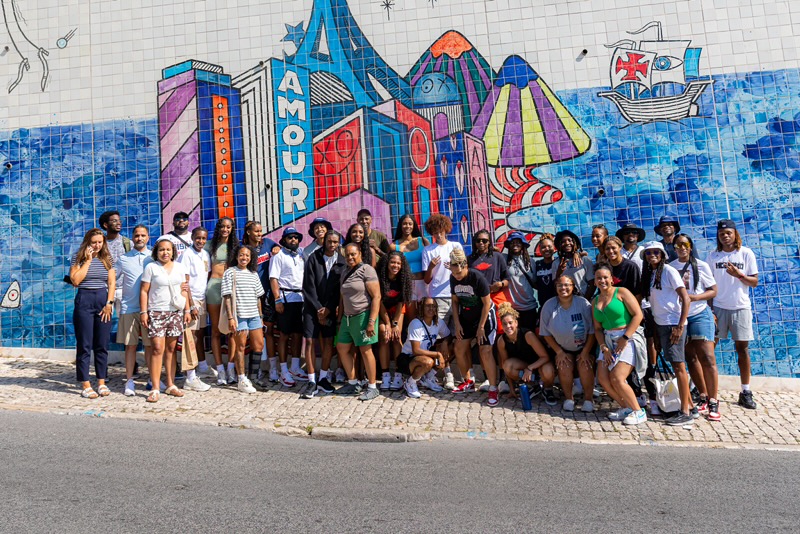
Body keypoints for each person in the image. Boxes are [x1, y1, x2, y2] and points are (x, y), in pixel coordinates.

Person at [706, 219, 759, 410]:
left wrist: (739, 275)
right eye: (721, 233)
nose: (725, 236)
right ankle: (701, 389)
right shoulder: (713, 257)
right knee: (708, 349)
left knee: (742, 350)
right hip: (719, 307)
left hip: (741, 307)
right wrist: (710, 310)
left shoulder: (746, 253)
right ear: (718, 236)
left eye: (728, 232)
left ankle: (745, 391)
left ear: (735, 234)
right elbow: (708, 285)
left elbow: (754, 282)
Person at [641, 241, 692, 425]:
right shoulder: (651, 274)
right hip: (660, 324)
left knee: (679, 367)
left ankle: (685, 411)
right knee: (675, 365)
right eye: (648, 253)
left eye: (656, 252)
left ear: (662, 254)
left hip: (672, 324)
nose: (652, 255)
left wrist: (679, 326)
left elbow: (685, 298)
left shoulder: (669, 271)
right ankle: (690, 406)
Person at [671, 233, 720, 421]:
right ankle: (702, 396)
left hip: (699, 313)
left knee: (707, 356)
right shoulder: (671, 267)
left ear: (690, 247)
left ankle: (714, 400)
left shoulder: (701, 265)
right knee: (690, 357)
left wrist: (694, 298)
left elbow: (713, 290)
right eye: (678, 245)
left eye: (685, 244)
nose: (681, 247)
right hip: (681, 317)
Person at [592, 264, 646, 425]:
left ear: (611, 279)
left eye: (605, 277)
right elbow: (597, 329)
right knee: (603, 378)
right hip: (608, 341)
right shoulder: (595, 301)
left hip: (627, 337)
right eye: (598, 278)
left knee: (617, 377)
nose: (602, 280)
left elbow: (638, 315)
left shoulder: (621, 292)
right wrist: (603, 347)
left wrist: (625, 337)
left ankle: (638, 411)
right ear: (594, 281)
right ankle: (626, 407)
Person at [140, 238, 191, 402]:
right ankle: (155, 387)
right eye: (162, 249)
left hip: (175, 312)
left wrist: (187, 309)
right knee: (157, 348)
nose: (165, 252)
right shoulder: (151, 267)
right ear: (157, 251)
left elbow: (185, 289)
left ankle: (170, 384)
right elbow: (144, 291)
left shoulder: (180, 267)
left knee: (171, 349)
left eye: (168, 249)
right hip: (156, 312)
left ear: (173, 251)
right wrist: (144, 312)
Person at [69, 228, 116, 399]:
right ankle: (86, 384)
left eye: (100, 242)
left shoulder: (107, 258)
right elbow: (75, 280)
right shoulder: (78, 257)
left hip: (102, 301)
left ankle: (101, 382)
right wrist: (87, 261)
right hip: (85, 300)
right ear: (87, 242)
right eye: (94, 242)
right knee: (85, 345)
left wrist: (109, 303)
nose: (97, 245)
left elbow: (112, 283)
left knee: (102, 345)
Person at [539, 275, 597, 412]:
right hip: (563, 348)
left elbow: (592, 331)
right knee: (564, 366)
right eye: (560, 285)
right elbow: (545, 333)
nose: (563, 288)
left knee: (585, 365)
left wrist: (585, 352)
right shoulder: (549, 306)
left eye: (567, 285)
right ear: (556, 287)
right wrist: (559, 352)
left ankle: (588, 399)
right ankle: (568, 398)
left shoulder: (583, 303)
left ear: (573, 287)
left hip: (584, 347)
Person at [449, 248, 499, 405]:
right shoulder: (453, 278)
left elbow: (486, 303)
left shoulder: (477, 277)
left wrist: (482, 327)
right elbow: (455, 301)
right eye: (454, 273)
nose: (457, 276)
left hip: (484, 315)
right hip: (467, 315)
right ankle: (468, 381)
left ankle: (492, 387)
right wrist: (457, 323)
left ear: (464, 266)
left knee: (485, 350)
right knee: (459, 347)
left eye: (459, 273)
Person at [333, 243, 382, 401]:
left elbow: (376, 297)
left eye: (353, 254)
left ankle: (373, 387)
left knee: (365, 350)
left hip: (363, 315)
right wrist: (340, 319)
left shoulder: (366, 270)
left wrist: (371, 321)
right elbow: (342, 298)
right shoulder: (345, 271)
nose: (350, 257)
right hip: (347, 318)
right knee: (341, 347)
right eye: (347, 255)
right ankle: (353, 383)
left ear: (360, 253)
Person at [300, 230, 346, 398]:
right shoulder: (313, 258)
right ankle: (311, 381)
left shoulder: (342, 262)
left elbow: (338, 290)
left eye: (335, 242)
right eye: (329, 241)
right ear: (324, 241)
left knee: (328, 344)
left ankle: (323, 378)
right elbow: (308, 285)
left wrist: (328, 308)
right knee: (311, 342)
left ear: (338, 243)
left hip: (329, 310)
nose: (332, 244)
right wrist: (319, 308)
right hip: (312, 308)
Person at [421, 214, 463, 390]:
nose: (438, 235)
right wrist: (431, 266)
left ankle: (465, 373)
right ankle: (448, 374)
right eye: (434, 232)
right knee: (442, 339)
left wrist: (453, 269)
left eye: (440, 231)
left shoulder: (455, 246)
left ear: (446, 229)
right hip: (438, 298)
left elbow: (464, 269)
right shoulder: (428, 250)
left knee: (459, 338)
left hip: (458, 295)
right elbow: (427, 279)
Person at [115, 225, 153, 397]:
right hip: (129, 308)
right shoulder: (123, 259)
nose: (139, 238)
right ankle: (129, 380)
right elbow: (111, 278)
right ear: (133, 238)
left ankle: (152, 379)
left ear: (148, 237)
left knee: (150, 346)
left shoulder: (154, 257)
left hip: (150, 309)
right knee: (130, 346)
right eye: (136, 235)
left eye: (143, 235)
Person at [221, 245, 264, 394]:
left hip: (254, 315)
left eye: (247, 255)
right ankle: (241, 378)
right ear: (236, 256)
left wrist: (260, 316)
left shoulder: (254, 274)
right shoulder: (230, 273)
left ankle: (253, 377)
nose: (244, 258)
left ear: (251, 258)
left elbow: (258, 297)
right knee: (240, 347)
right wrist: (231, 317)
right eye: (241, 255)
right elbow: (227, 297)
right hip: (239, 316)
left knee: (258, 345)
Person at [496, 303, 557, 406]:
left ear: (516, 323)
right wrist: (511, 389)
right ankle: (533, 385)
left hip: (540, 364)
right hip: (525, 368)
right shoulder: (502, 341)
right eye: (505, 324)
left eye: (510, 323)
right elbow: (504, 365)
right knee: (508, 365)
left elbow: (545, 357)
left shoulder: (527, 335)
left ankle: (548, 389)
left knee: (547, 370)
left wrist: (530, 368)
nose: (508, 326)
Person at [269, 226, 308, 387]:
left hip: (300, 297)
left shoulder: (301, 254)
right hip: (285, 298)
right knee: (284, 335)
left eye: (296, 237)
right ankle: (283, 369)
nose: (293, 240)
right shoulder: (278, 256)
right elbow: (273, 278)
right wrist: (277, 300)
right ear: (284, 240)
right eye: (290, 237)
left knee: (298, 334)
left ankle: (295, 366)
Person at [177, 227, 214, 390]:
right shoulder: (187, 255)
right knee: (189, 337)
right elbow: (184, 283)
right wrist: (190, 304)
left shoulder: (205, 254)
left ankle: (202, 366)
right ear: (192, 237)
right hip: (191, 301)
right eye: (198, 238)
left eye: (203, 238)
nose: (200, 241)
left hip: (202, 299)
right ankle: (190, 377)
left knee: (199, 335)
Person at [205, 217, 240, 385]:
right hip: (214, 287)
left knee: (232, 330)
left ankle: (231, 368)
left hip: (231, 289)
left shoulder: (236, 246)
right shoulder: (209, 245)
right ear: (218, 228)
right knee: (216, 331)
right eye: (223, 226)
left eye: (228, 226)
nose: (225, 229)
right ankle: (220, 370)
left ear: (232, 228)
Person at [241, 220, 278, 379]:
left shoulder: (268, 244)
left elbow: (279, 248)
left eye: (261, 231)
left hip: (267, 294)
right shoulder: (243, 250)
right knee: (247, 334)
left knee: (267, 330)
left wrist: (277, 248)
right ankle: (247, 371)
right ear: (248, 232)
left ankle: (272, 368)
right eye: (256, 231)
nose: (259, 234)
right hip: (248, 296)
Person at [377, 251, 415, 391]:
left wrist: (394, 324)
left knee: (396, 336)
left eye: (398, 263)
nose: (395, 265)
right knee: (384, 335)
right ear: (387, 263)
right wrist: (387, 323)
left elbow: (401, 303)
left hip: (397, 310)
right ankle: (385, 374)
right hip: (382, 310)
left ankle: (398, 375)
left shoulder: (403, 279)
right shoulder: (380, 278)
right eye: (393, 262)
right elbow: (379, 302)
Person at [399, 297, 449, 398]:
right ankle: (410, 383)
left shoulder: (438, 322)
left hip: (426, 354)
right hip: (408, 358)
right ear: (421, 308)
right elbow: (416, 350)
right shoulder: (416, 323)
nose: (431, 309)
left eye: (433, 306)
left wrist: (445, 342)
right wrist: (437, 354)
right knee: (428, 362)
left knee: (450, 348)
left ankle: (428, 378)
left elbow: (449, 335)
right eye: (428, 306)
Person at [503, 231, 538, 328]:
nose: (515, 244)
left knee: (530, 335)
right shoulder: (503, 259)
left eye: (518, 242)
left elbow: (535, 282)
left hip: (529, 307)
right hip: (512, 308)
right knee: (515, 338)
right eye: (512, 242)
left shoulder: (531, 261)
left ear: (523, 244)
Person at [98, 210, 130, 315]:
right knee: (104, 320)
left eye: (119, 220)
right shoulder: (100, 244)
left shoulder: (127, 243)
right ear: (105, 225)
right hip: (105, 290)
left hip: (123, 290)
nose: (119, 223)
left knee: (126, 322)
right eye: (114, 221)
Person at [393, 213, 430, 300]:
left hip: (424, 283)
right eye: (404, 223)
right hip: (406, 284)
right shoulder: (394, 246)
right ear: (400, 226)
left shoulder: (423, 241)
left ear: (414, 226)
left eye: (410, 224)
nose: (407, 226)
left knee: (426, 312)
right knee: (411, 314)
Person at [553, 230, 595, 299]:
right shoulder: (556, 263)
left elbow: (592, 284)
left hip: (584, 299)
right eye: (563, 241)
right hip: (565, 302)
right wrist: (559, 272)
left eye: (570, 240)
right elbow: (555, 285)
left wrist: (585, 300)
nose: (567, 243)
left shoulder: (585, 260)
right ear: (559, 244)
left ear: (575, 242)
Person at [533, 234, 557, 311]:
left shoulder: (559, 262)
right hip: (544, 305)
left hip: (558, 304)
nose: (546, 249)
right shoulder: (537, 265)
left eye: (549, 246)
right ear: (539, 249)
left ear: (554, 248)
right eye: (543, 247)